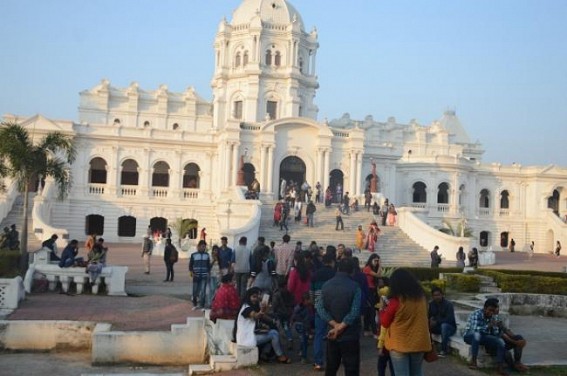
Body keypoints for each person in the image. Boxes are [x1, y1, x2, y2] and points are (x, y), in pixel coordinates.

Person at [379, 268, 431, 376]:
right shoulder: (422, 298)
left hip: (399, 344)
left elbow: (384, 322)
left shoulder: (396, 301)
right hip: (419, 342)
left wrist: (382, 309)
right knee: (417, 373)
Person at [316, 258, 361, 376]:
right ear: (352, 271)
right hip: (350, 334)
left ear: (337, 269)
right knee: (351, 369)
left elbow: (320, 308)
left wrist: (334, 325)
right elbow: (355, 311)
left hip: (332, 333)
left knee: (331, 368)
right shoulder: (355, 286)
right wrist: (341, 326)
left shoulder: (326, 285)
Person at [233, 287, 291, 364]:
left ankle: (265, 355)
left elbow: (262, 317)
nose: (255, 299)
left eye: (257, 297)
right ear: (249, 297)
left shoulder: (250, 306)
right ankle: (280, 356)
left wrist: (272, 321)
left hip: (249, 336)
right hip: (246, 339)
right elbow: (256, 315)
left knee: (270, 331)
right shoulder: (246, 308)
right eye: (254, 297)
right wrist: (262, 311)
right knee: (274, 334)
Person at [463, 298, 509, 375]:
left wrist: (497, 327)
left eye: (493, 311)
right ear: (484, 308)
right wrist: (488, 326)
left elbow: (495, 333)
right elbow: (475, 329)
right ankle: (473, 361)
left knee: (500, 341)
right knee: (477, 335)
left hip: (484, 336)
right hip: (470, 336)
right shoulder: (476, 314)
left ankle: (500, 367)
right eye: (489, 310)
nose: (491, 313)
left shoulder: (494, 317)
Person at [310, 253, 336, 371]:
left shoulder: (315, 274)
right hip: (332, 308)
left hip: (319, 308)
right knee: (335, 333)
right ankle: (335, 360)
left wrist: (314, 304)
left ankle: (318, 362)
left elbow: (311, 293)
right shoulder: (334, 274)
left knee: (319, 335)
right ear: (331, 262)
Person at [492, 307, 529, 373]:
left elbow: (506, 330)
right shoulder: (490, 320)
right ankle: (513, 367)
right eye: (496, 309)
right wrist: (515, 342)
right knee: (507, 354)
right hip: (495, 345)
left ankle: (517, 362)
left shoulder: (497, 318)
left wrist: (518, 340)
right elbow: (501, 335)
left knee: (519, 337)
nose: (497, 311)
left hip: (503, 342)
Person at [428, 286, 457, 356]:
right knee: (425, 324)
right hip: (437, 327)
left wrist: (437, 321)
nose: (437, 297)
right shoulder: (431, 304)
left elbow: (450, 319)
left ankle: (444, 350)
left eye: (438, 295)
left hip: (449, 328)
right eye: (435, 295)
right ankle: (427, 348)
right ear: (432, 296)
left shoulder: (448, 304)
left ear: (442, 295)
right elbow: (428, 316)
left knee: (444, 326)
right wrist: (429, 320)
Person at [362, 254, 382, 337]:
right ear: (371, 260)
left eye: (378, 261)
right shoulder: (367, 268)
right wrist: (380, 265)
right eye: (375, 261)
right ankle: (374, 331)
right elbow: (378, 275)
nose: (376, 263)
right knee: (372, 311)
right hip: (369, 291)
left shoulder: (373, 268)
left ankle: (368, 329)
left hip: (373, 290)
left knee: (371, 310)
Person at [272, 279, 295, 347]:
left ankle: (283, 341)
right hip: (288, 313)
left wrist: (273, 312)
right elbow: (293, 303)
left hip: (279, 314)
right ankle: (290, 339)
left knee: (280, 328)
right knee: (286, 327)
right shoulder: (289, 293)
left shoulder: (277, 294)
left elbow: (274, 305)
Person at [291, 292, 313, 363]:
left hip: (300, 325)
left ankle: (301, 352)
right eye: (308, 299)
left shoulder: (301, 307)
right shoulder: (303, 308)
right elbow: (306, 320)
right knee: (304, 341)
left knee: (303, 340)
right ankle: (303, 357)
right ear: (305, 300)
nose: (310, 301)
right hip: (301, 326)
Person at [189, 240, 211, 310]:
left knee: (203, 291)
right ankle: (195, 304)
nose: (203, 248)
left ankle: (202, 305)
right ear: (198, 247)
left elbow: (208, 266)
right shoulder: (193, 255)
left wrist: (208, 273)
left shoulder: (207, 255)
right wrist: (192, 272)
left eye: (204, 247)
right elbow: (190, 265)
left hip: (204, 275)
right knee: (195, 291)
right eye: (202, 246)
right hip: (196, 275)